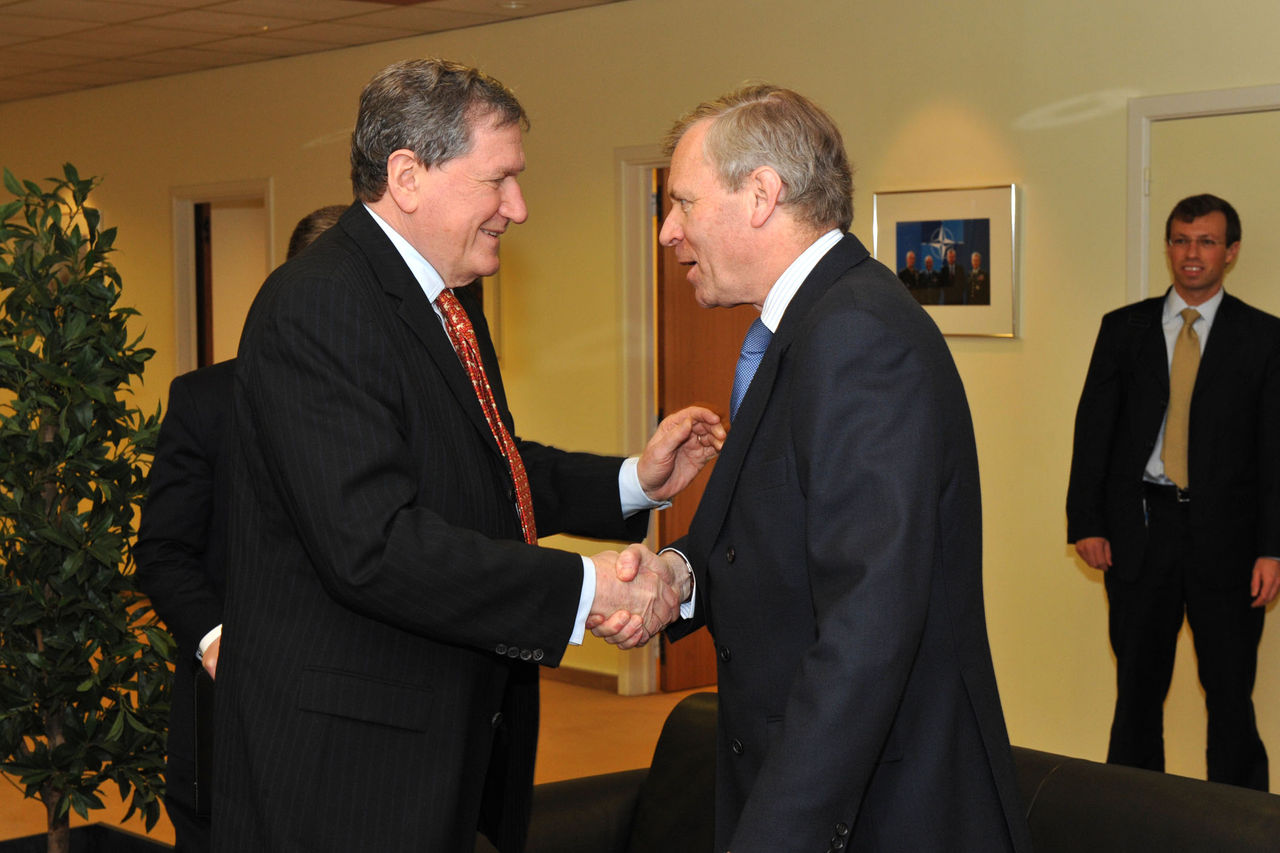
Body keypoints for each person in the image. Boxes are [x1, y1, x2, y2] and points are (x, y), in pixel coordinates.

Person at [210, 59, 724, 853]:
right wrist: (587, 589)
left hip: (448, 730)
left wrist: (632, 480)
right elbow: (372, 544)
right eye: (499, 180)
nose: (517, 208)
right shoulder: (318, 305)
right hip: (347, 768)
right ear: (408, 176)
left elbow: (487, 466)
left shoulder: (447, 299)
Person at [597, 84, 1031, 853]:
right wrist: (675, 577)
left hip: (882, 808)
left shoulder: (857, 335)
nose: (667, 231)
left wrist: (778, 832)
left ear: (761, 195)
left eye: (684, 203)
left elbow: (869, 623)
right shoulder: (805, 323)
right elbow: (766, 536)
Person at [135, 204, 348, 852]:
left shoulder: (402, 402)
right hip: (233, 727)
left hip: (362, 727)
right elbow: (163, 549)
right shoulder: (205, 400)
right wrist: (218, 642)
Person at [1067, 193, 1280, 791]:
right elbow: (1094, 432)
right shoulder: (1123, 329)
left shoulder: (1264, 338)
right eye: (1182, 240)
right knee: (1137, 690)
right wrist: (1087, 520)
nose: (1193, 254)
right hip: (1140, 533)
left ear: (1230, 253)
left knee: (1231, 694)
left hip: (1231, 546)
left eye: (1207, 242)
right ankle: (1131, 822)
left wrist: (1273, 548)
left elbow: (1274, 454)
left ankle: (1244, 826)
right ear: (1169, 247)